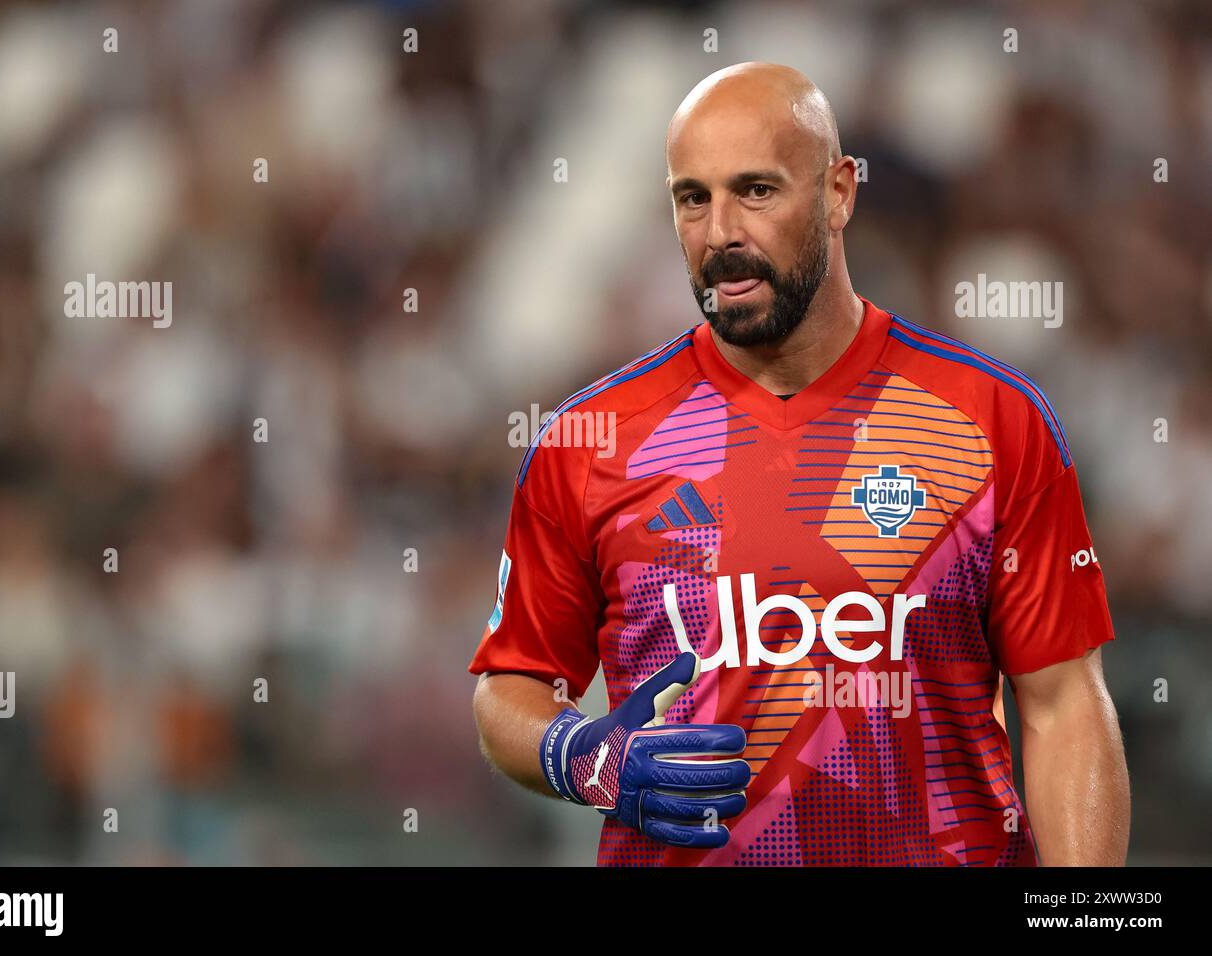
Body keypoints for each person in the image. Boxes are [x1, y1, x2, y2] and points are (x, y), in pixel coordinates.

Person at [469, 62, 1130, 866]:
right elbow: (509, 691)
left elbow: (1063, 706)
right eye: (693, 198)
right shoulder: (589, 443)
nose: (720, 234)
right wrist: (586, 758)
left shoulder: (991, 422)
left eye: (757, 190)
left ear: (839, 192)